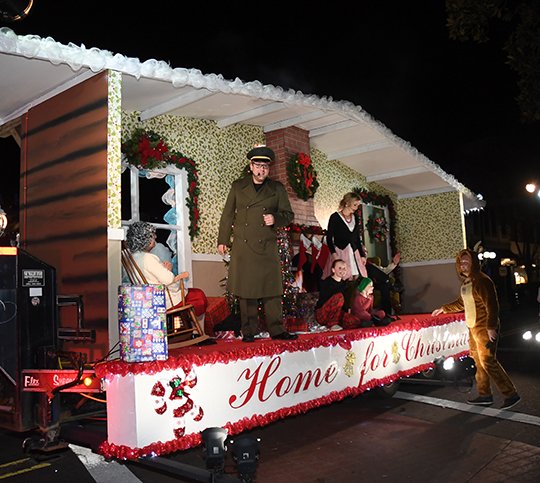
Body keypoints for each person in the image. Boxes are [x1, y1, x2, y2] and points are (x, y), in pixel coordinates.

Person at [217, 145, 297, 342]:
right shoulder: (238, 186)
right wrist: (223, 240)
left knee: (272, 290)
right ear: (251, 166)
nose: (262, 170)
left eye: (265, 166)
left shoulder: (276, 188)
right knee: (246, 291)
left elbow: (288, 215)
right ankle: (249, 332)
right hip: (244, 246)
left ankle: (277, 330)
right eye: (258, 165)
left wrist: (275, 218)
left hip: (267, 246)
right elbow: (227, 215)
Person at [432, 248, 520, 410]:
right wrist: (444, 308)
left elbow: (492, 305)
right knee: (479, 362)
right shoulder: (467, 283)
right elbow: (461, 303)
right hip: (473, 328)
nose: (463, 265)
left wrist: (491, 327)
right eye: (461, 263)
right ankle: (484, 395)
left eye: (467, 262)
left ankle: (510, 394)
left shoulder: (482, 281)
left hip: (484, 327)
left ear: (474, 263)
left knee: (488, 361)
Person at [126, 221, 208, 317]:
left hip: (148, 301)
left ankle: (184, 322)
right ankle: (185, 322)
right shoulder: (149, 258)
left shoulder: (132, 258)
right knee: (198, 295)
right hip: (163, 300)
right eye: (152, 236)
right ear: (144, 239)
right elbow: (170, 281)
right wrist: (168, 271)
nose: (155, 237)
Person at [323, 192, 367, 281]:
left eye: (357, 205)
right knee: (343, 278)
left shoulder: (356, 217)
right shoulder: (335, 217)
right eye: (355, 205)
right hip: (340, 252)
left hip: (354, 252)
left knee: (358, 278)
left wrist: (362, 255)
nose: (356, 207)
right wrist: (334, 254)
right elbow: (329, 238)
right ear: (347, 203)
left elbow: (357, 238)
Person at [315, 259, 349, 328]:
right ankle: (332, 324)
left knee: (354, 321)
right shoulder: (326, 282)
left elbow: (345, 303)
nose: (342, 270)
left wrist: (347, 311)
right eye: (340, 268)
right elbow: (327, 300)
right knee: (339, 296)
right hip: (323, 313)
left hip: (336, 314)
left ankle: (337, 324)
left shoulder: (344, 284)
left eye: (344, 268)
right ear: (333, 270)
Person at [366, 251, 401, 315]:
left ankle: (387, 314)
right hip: (366, 284)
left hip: (376, 283)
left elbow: (383, 271)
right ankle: (391, 286)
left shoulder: (371, 264)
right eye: (363, 251)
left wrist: (394, 263)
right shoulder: (359, 264)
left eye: (366, 251)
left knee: (384, 286)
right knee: (368, 266)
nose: (365, 253)